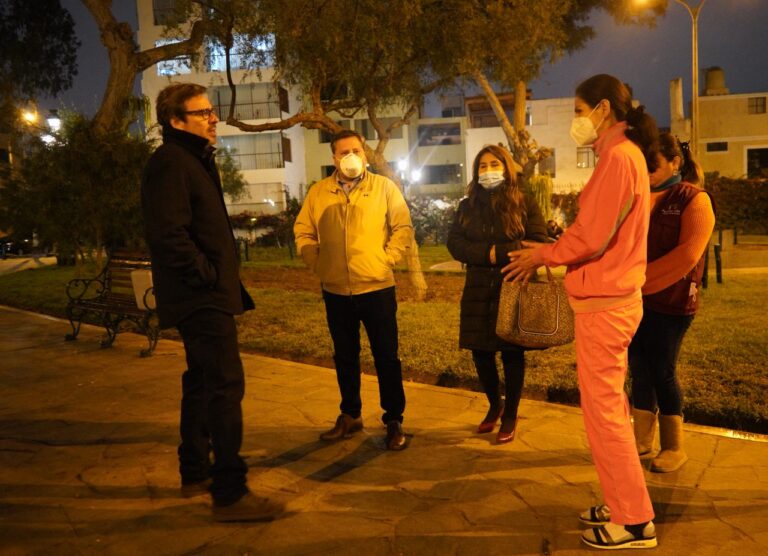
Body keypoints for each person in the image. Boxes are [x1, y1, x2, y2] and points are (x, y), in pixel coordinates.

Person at [502, 74, 660, 550]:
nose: (576, 120)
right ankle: (622, 503)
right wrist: (554, 250)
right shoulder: (622, 156)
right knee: (607, 410)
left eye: (577, 110)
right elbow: (596, 233)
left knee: (605, 414)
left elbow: (592, 235)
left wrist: (542, 255)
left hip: (606, 306)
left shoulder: (618, 158)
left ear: (604, 109)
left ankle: (634, 522)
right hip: (611, 300)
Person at [142, 83, 283, 522]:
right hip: (200, 297)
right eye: (202, 112)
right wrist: (206, 277)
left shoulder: (192, 160)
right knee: (224, 386)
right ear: (176, 120)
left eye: (212, 111)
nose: (213, 118)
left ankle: (194, 471)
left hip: (206, 294)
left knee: (202, 383)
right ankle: (230, 490)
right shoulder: (170, 162)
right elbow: (169, 234)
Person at [293, 129, 414, 451]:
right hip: (335, 289)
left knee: (386, 357)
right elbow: (303, 230)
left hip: (376, 288)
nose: (351, 157)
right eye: (343, 151)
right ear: (333, 157)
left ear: (365, 154)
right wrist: (315, 262)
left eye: (356, 150)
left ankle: (393, 419)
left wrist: (386, 259)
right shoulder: (319, 192)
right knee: (344, 356)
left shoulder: (383, 188)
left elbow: (403, 226)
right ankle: (350, 415)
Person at [446, 144, 548, 444]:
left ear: (506, 167)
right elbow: (455, 243)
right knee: (481, 352)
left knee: (512, 352)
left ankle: (511, 415)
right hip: (478, 288)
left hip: (513, 284)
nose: (488, 170)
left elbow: (537, 241)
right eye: (482, 166)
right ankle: (495, 404)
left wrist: (494, 253)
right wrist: (490, 254)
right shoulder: (467, 206)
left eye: (494, 164)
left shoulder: (524, 202)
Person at [629, 133, 715, 473]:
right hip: (635, 299)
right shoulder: (638, 198)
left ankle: (674, 446)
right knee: (638, 368)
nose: (647, 171)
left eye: (654, 164)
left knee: (662, 369)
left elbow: (687, 256)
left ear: (675, 162)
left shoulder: (694, 200)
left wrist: (636, 281)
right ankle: (640, 440)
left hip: (672, 302)